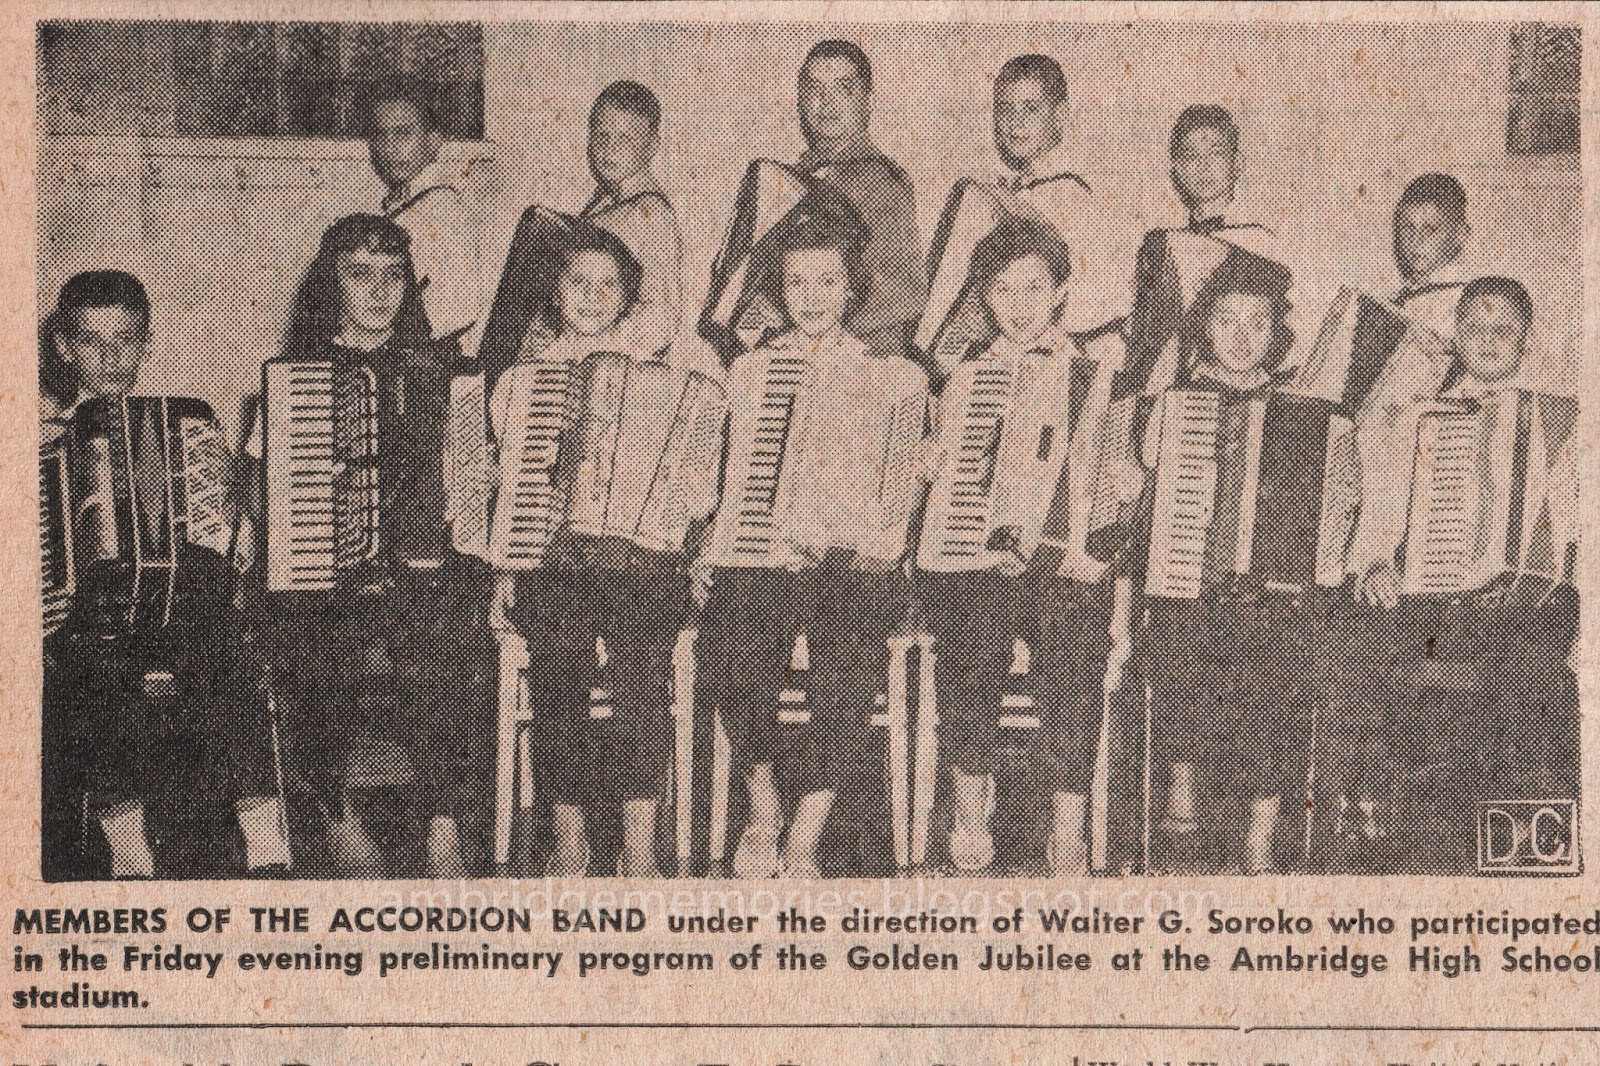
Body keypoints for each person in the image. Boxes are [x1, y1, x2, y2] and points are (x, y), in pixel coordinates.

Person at [253, 215, 495, 877]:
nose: (379, 290)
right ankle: (338, 814)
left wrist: (478, 477)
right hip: (328, 570)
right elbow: (262, 491)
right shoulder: (299, 374)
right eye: (360, 274)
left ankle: (444, 823)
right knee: (306, 636)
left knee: (449, 635)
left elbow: (474, 484)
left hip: (421, 569)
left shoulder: (444, 372)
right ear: (332, 283)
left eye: (393, 276)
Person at [695, 215, 929, 878]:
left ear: (852, 289)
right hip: (766, 554)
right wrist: (718, 546)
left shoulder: (894, 376)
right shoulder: (750, 370)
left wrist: (917, 474)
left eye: (828, 280)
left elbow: (893, 510)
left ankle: (808, 826)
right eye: (797, 281)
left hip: (851, 565)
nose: (812, 294)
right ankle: (764, 801)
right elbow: (732, 479)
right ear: (778, 290)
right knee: (730, 632)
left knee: (850, 652)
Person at [42, 270, 290, 879]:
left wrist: (230, 513)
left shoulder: (185, 419)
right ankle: (127, 840)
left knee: (227, 645)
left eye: (126, 340)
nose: (110, 357)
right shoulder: (41, 438)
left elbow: (230, 529)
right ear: (63, 348)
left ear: (146, 342)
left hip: (185, 601)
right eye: (91, 342)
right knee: (95, 657)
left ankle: (264, 837)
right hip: (86, 610)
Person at [1331, 277, 1577, 855]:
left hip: (1524, 620)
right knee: (1426, 763)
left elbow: (1577, 527)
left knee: (1531, 737)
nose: (1488, 338)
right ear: (1455, 333)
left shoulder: (1565, 421)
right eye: (1474, 325)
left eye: (1504, 328)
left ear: (1526, 339)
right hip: (1435, 612)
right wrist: (1372, 566)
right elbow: (1380, 506)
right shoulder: (1409, 417)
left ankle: (1523, 880)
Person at [1131, 257, 1354, 874]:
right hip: (1190, 580)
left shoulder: (1311, 413)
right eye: (1227, 320)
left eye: (1258, 321)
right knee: (1176, 639)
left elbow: (1338, 500)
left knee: (1280, 672)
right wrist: (1159, 430)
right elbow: (1139, 485)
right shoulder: (1177, 402)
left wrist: (1330, 546)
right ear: (1204, 329)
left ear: (1278, 333)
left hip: (1271, 594)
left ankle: (1260, 827)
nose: (1242, 334)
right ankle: (1180, 801)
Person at [488, 224, 697, 877]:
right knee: (559, 669)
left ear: (629, 295)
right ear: (555, 289)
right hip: (556, 560)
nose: (592, 296)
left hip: (642, 560)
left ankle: (639, 839)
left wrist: (687, 535)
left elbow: (698, 462)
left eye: (609, 284)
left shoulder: (667, 364)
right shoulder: (525, 379)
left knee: (641, 669)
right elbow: (510, 483)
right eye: (578, 281)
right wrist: (505, 568)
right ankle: (570, 831)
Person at [913, 220, 1120, 874]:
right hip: (979, 562)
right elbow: (944, 489)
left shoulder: (1096, 374)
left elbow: (1116, 481)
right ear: (983, 296)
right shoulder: (965, 376)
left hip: (1060, 565)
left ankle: (1068, 819)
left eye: (1034, 287)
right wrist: (930, 464)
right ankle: (973, 800)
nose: (1019, 303)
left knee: (1077, 640)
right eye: (1002, 290)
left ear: (1060, 292)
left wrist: (1129, 481)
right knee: (971, 637)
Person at [479, 81, 683, 387]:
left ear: (653, 146)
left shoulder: (653, 215)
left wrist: (573, 351)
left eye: (626, 138)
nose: (609, 149)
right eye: (601, 136)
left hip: (607, 383)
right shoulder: (605, 202)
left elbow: (662, 319)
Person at [1124, 105, 1284, 396]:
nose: (1204, 166)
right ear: (1176, 169)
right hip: (1161, 393)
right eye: (1191, 157)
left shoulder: (1261, 244)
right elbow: (1141, 332)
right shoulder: (1158, 245)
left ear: (1238, 163)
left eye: (1216, 153)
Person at [794, 40, 926, 358]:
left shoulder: (883, 179)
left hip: (865, 360)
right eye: (814, 90)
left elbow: (901, 294)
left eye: (844, 89)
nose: (826, 103)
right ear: (800, 100)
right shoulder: (790, 179)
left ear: (866, 101)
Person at [989, 54, 1135, 334]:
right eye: (1006, 109)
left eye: (1030, 109)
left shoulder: (1072, 196)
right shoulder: (1007, 192)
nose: (1015, 122)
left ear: (1060, 116)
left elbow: (1109, 299)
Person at [367, 84, 481, 352]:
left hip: (431, 358)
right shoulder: (398, 205)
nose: (390, 147)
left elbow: (460, 309)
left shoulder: (442, 207)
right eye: (381, 135)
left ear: (433, 143)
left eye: (403, 133)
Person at [1388, 173, 1473, 337]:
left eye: (1431, 230)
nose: (1416, 241)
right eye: (1408, 228)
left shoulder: (1467, 302)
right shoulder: (1397, 298)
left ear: (1460, 235)